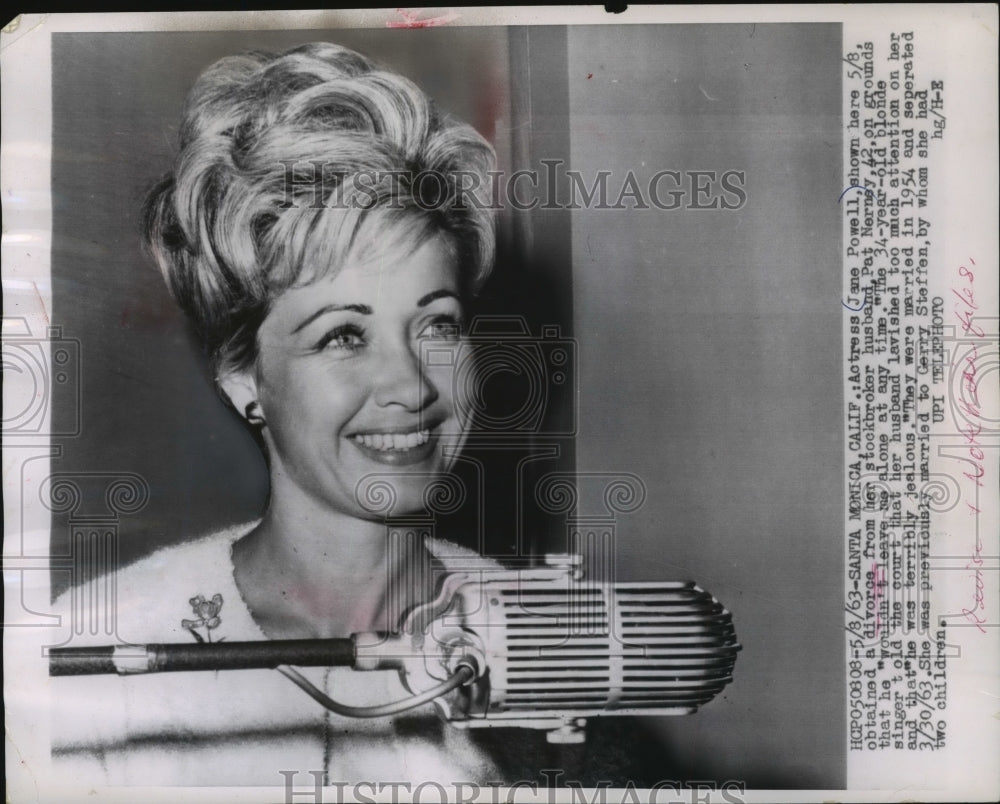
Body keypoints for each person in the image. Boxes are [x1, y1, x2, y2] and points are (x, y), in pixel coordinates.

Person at [50, 41, 509, 787]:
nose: (409, 386)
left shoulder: (559, 643)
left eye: (438, 324)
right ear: (242, 378)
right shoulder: (103, 648)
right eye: (343, 335)